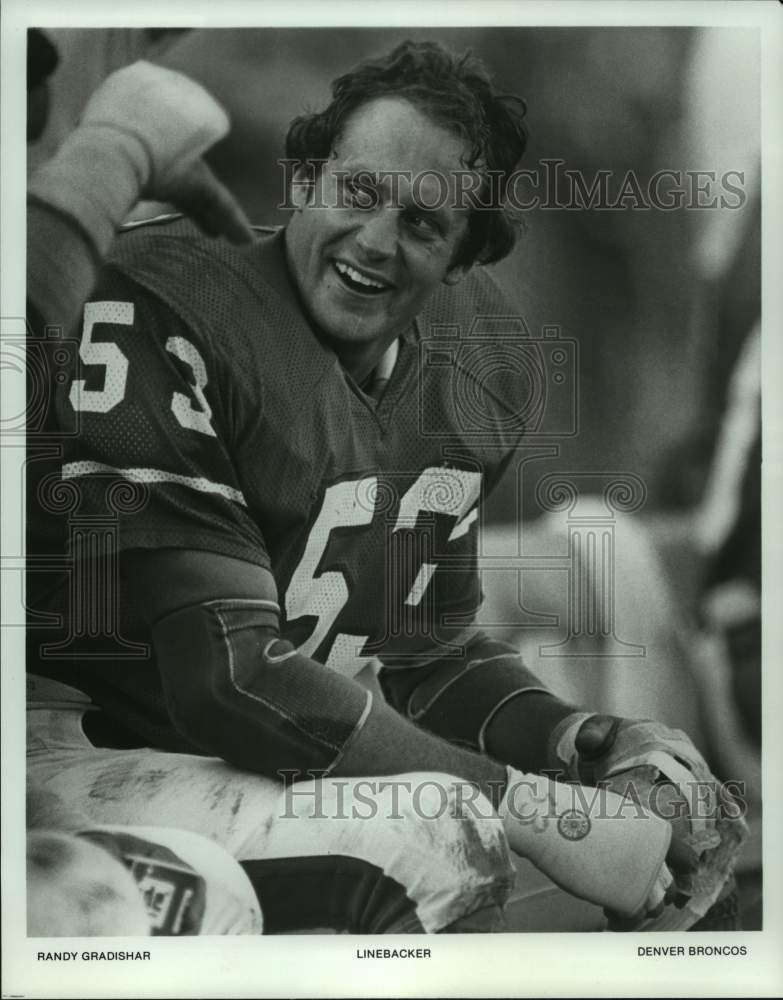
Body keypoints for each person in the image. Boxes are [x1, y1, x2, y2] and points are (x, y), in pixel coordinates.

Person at [27, 40, 745, 933]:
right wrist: (532, 806)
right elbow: (231, 678)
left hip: (255, 761)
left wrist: (580, 743)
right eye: (357, 192)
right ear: (303, 181)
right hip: (82, 746)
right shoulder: (163, 304)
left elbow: (420, 655)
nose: (374, 241)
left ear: (461, 258)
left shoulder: (473, 369)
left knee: (502, 840)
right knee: (435, 839)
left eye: (422, 223)